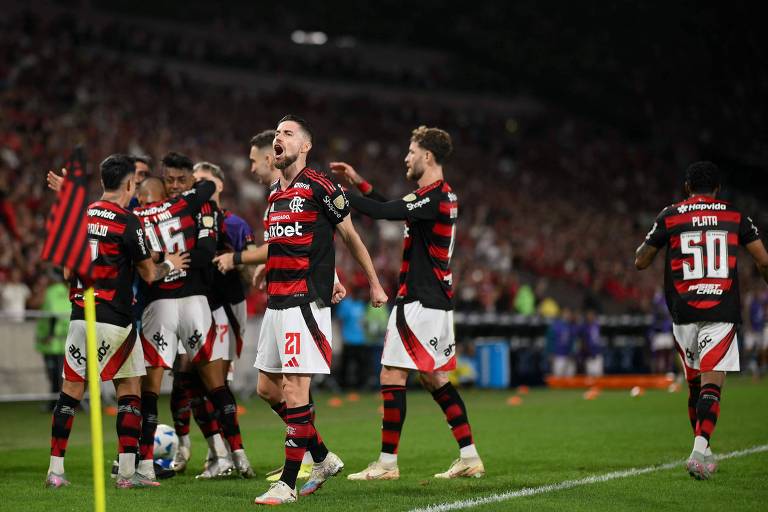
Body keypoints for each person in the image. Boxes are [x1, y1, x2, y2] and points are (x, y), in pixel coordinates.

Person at [331, 125, 484, 481]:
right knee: (434, 379)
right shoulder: (438, 197)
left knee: (392, 374)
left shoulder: (433, 197)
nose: (406, 157)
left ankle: (386, 463)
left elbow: (385, 212)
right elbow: (392, 205)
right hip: (435, 301)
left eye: (411, 152)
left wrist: (338, 197)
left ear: (427, 157)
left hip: (419, 301)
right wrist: (360, 183)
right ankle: (469, 456)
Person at [252, 115, 387, 505]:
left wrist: (374, 283)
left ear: (305, 146)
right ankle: (323, 457)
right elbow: (294, 241)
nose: (278, 137)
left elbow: (349, 236)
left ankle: (289, 483)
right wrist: (266, 265)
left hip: (303, 302)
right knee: (266, 388)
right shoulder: (275, 193)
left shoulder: (321, 185)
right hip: (276, 300)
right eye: (276, 133)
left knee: (296, 389)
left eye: (287, 133)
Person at [44, 154, 189, 489]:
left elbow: (67, 271)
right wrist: (170, 264)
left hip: (80, 316)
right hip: (115, 320)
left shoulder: (82, 216)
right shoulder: (128, 222)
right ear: (128, 184)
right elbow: (149, 274)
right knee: (129, 389)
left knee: (70, 393)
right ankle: (127, 475)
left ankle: (55, 472)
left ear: (101, 183)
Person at [635, 161, 768, 480]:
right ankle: (698, 451)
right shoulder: (735, 215)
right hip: (720, 308)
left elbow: (641, 260)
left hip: (683, 311)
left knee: (696, 388)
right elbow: (763, 260)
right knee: (711, 387)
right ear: (718, 189)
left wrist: (656, 241)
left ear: (687, 188)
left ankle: (703, 448)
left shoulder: (670, 214)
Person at [134, 152, 254, 480]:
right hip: (188, 304)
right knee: (191, 383)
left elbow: (203, 255)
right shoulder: (192, 203)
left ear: (191, 179)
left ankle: (227, 455)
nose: (174, 186)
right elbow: (200, 250)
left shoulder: (140, 212)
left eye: (180, 180)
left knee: (184, 384)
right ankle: (213, 452)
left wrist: (163, 258)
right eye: (169, 180)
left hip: (189, 301)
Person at [35, 271, 71, 411]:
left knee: (55, 375)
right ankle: (60, 403)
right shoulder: (65, 290)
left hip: (53, 342)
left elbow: (53, 314)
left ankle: (56, 404)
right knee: (61, 375)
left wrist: (49, 334)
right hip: (63, 339)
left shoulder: (52, 291)